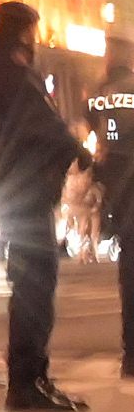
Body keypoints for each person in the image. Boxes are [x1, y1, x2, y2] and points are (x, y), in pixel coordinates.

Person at [0, 0, 95, 412]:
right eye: (33, 30)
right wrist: (77, 150)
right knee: (33, 288)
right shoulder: (12, 71)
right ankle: (27, 383)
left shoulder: (1, 70)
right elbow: (40, 124)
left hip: (19, 191)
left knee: (33, 286)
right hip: (24, 192)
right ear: (24, 31)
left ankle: (33, 378)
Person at [86, 39, 134, 385]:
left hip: (119, 196)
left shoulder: (98, 94)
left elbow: (94, 130)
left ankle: (131, 355)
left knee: (129, 278)